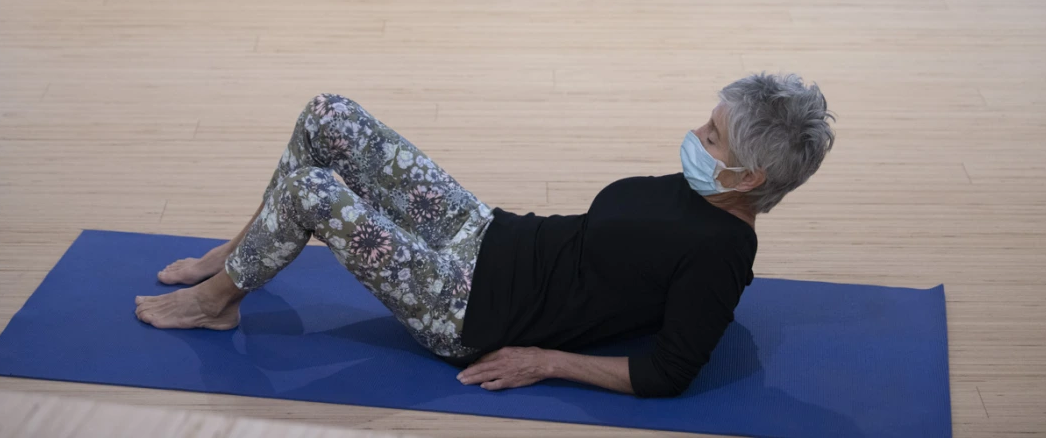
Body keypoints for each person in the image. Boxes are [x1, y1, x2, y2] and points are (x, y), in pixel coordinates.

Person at [135, 73, 834, 398]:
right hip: (488, 232)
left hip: (469, 309)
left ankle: (216, 301)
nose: (694, 135)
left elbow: (670, 372)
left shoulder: (722, 251)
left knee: (315, 194)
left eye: (711, 136)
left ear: (750, 179)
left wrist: (544, 360)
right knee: (329, 115)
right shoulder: (707, 186)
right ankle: (248, 246)